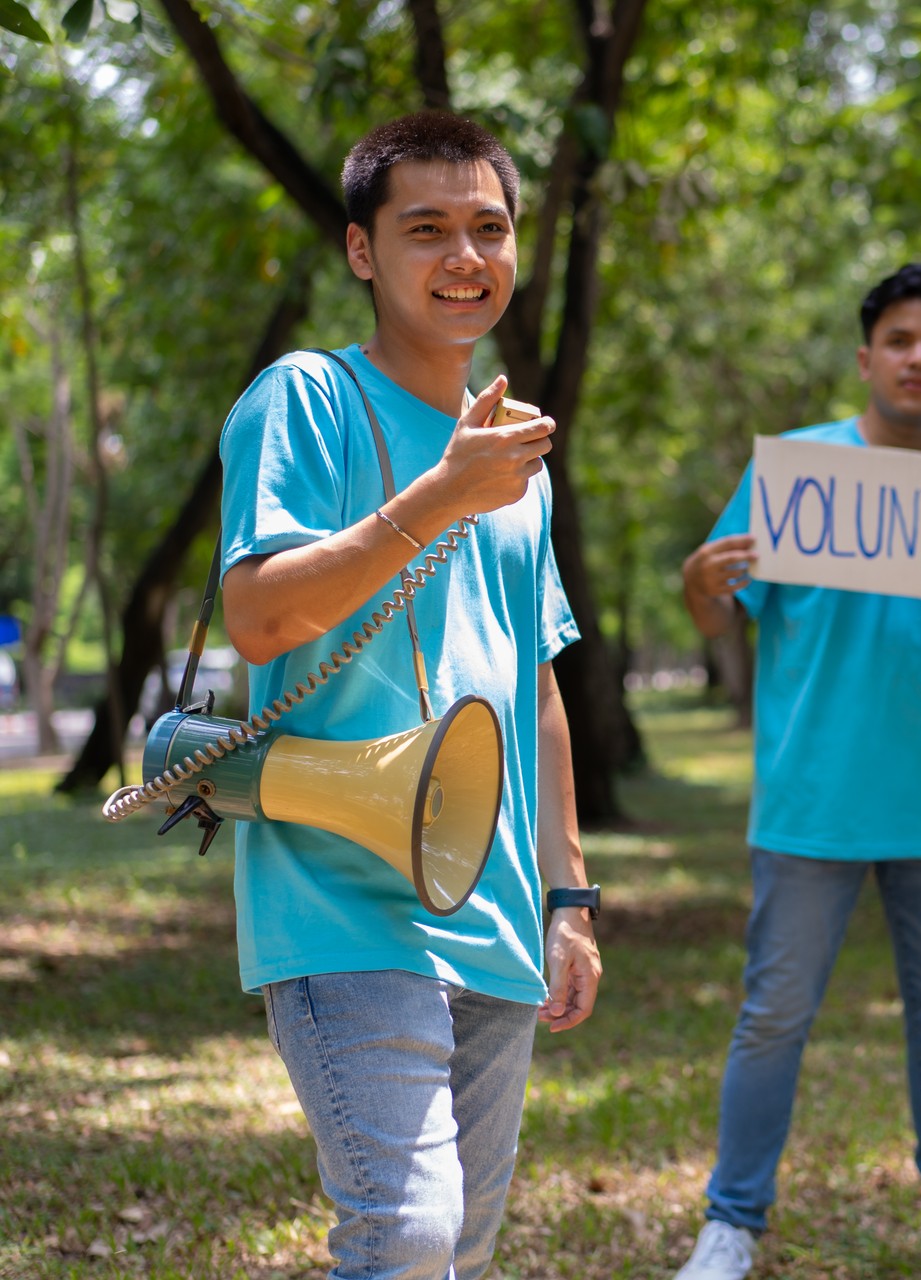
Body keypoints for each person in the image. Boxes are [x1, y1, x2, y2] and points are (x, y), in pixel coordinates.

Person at [217, 112, 602, 1280]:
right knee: (408, 1229)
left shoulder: (512, 456)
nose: (463, 256)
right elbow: (262, 615)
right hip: (340, 891)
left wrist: (570, 890)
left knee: (461, 1247)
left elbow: (535, 683)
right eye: (425, 228)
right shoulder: (308, 397)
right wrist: (441, 492)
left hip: (489, 905)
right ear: (360, 251)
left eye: (489, 228)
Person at [673, 264, 921, 1280]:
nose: (918, 357)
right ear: (867, 357)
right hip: (811, 798)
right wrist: (696, 585)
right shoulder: (795, 471)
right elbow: (721, 613)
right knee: (773, 1016)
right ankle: (732, 1220)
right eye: (901, 340)